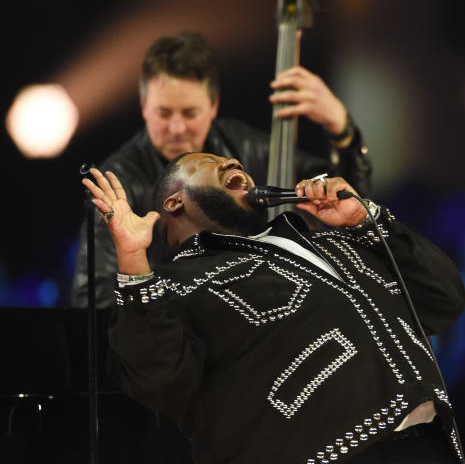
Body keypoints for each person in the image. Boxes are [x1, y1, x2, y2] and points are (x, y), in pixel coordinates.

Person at [80, 154, 465, 464]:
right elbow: (159, 381)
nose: (231, 160)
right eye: (209, 162)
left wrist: (366, 219)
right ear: (175, 203)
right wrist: (135, 264)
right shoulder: (175, 285)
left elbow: (443, 299)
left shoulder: (334, 242)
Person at [72, 32, 372, 307]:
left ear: (213, 105)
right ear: (143, 106)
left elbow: (347, 196)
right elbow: (95, 298)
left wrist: (342, 129)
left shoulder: (245, 147)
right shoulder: (119, 179)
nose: (176, 128)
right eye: (164, 113)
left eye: (190, 113)